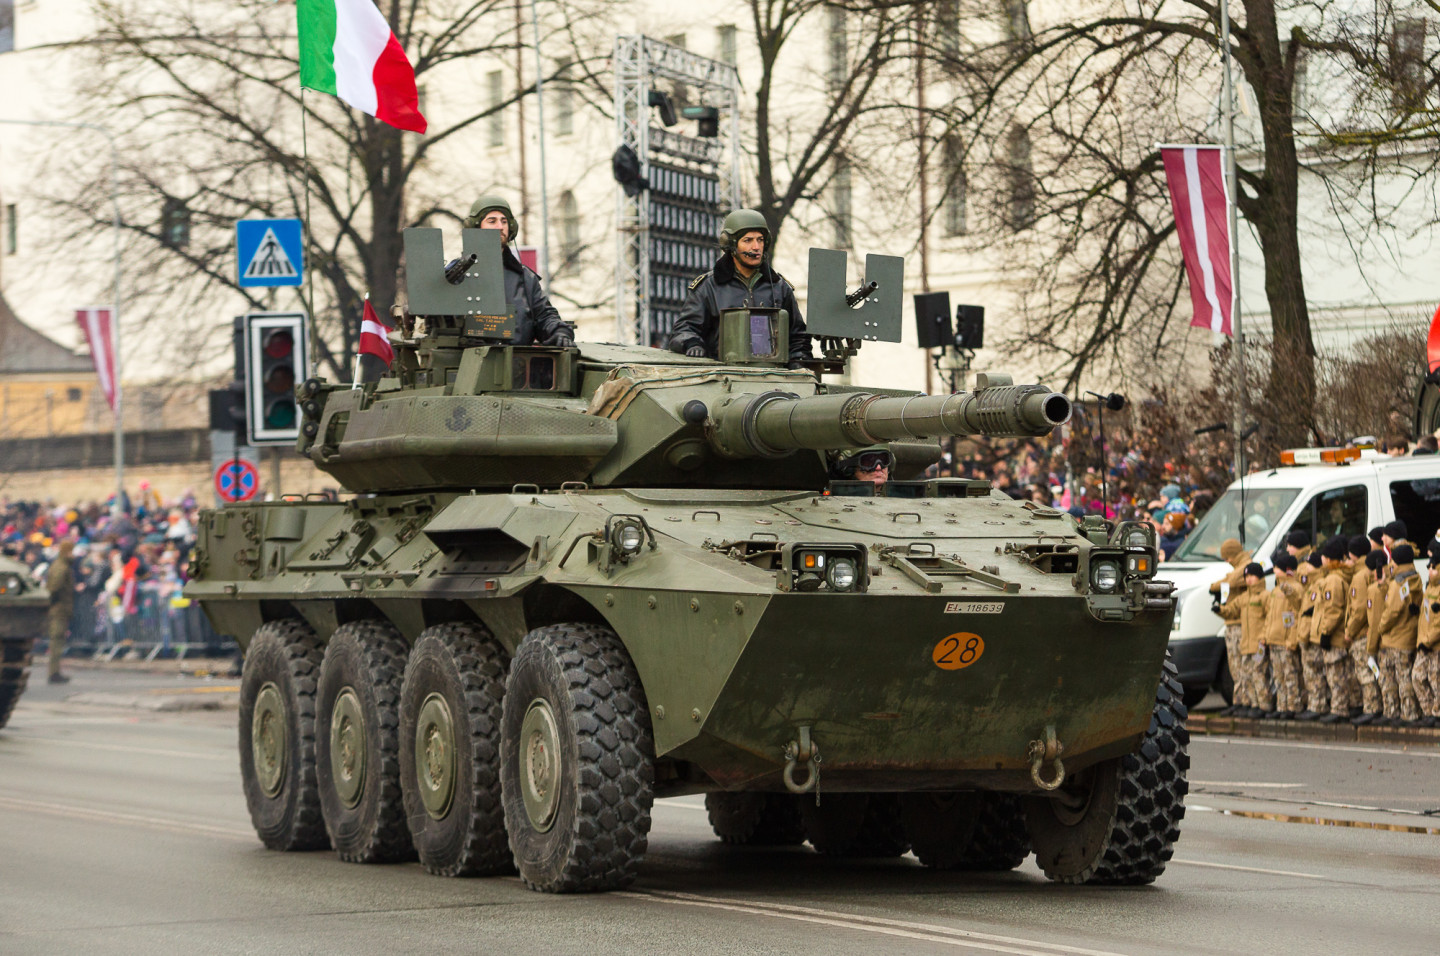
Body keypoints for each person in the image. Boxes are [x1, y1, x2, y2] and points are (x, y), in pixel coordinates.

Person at [666, 209, 812, 364]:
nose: (756, 247)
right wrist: (692, 344)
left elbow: (798, 337)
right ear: (731, 245)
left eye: (760, 240)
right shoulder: (708, 287)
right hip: (722, 373)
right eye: (748, 240)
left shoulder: (779, 287)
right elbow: (684, 329)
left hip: (773, 373)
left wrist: (799, 362)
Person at [460, 195, 573, 347]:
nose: (500, 226)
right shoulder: (457, 274)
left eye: (504, 221)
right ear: (475, 227)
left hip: (516, 359)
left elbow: (544, 316)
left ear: (512, 227)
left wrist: (559, 332)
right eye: (492, 221)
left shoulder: (525, 278)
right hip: (469, 359)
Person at [1374, 544, 1423, 726]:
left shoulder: (1398, 584)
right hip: (1408, 635)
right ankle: (1408, 712)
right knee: (1405, 677)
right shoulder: (1414, 578)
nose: (1390, 564)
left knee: (1392, 679)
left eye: (1393, 560)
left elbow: (1392, 611)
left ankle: (1395, 712)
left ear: (1397, 562)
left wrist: (1380, 628)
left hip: (1394, 639)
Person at [1310, 535, 1354, 723]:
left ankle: (1339, 709)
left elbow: (1333, 609)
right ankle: (1338, 707)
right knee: (1335, 674)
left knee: (1336, 675)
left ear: (1328, 559)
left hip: (1335, 636)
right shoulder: (1333, 577)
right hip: (1334, 635)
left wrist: (1326, 633)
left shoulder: (1334, 580)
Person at [1210, 538, 1252, 716]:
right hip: (1232, 621)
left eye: (1227, 557)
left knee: (1243, 665)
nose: (1226, 561)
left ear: (1233, 554)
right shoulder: (1238, 568)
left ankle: (1247, 702)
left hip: (1240, 622)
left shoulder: (1246, 566)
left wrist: (1217, 586)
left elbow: (1232, 580)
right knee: (1235, 667)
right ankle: (1239, 701)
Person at [1288, 530, 1327, 719]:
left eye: (1291, 545)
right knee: (1308, 672)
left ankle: (1317, 706)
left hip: (1311, 631)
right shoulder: (1309, 579)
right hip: (1304, 630)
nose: (1288, 549)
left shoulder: (1308, 573)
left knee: (1314, 671)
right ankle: (1312, 704)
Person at [1261, 552, 1303, 719]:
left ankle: (1293, 706)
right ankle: (1282, 705)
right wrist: (1266, 635)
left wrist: (1291, 639)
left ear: (1286, 570)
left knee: (1290, 674)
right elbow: (1270, 615)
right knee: (1278, 676)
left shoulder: (1295, 588)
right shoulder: (1276, 590)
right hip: (1274, 640)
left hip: (1285, 641)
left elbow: (1295, 615)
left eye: (1277, 568)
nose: (1274, 571)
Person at [1345, 536, 1382, 724]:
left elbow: (1359, 609)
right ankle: (1370, 706)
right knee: (1369, 670)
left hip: (1361, 633)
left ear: (1353, 554)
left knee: (1365, 672)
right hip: (1371, 630)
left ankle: (1372, 708)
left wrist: (1349, 631)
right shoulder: (1371, 571)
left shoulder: (1360, 576)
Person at [1411, 537, 1440, 727]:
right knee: (1418, 677)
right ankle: (1430, 711)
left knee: (1436, 681)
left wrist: (1427, 641)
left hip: (1434, 645)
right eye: (1429, 567)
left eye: (1433, 567)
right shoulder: (1430, 586)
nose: (1429, 570)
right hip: (1424, 642)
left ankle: (1436, 714)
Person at [1235, 562, 1268, 718]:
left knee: (1258, 673)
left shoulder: (1264, 595)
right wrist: (1220, 609)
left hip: (1259, 643)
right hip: (1246, 644)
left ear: (1259, 577)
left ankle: (1264, 704)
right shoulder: (1244, 597)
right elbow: (1232, 609)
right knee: (1247, 675)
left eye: (1252, 576)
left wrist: (1264, 636)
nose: (1249, 579)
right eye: (1246, 576)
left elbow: (1269, 617)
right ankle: (1254, 704)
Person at [44, 539, 75, 684]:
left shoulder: (60, 565)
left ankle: (55, 671)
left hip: (60, 608)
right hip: (59, 609)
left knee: (58, 641)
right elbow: (54, 588)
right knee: (56, 641)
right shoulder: (61, 567)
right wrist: (52, 603)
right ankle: (54, 672)